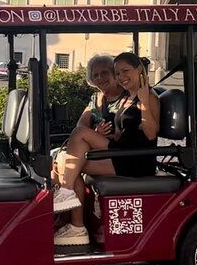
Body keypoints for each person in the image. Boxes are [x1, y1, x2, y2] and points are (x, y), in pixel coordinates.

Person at [52, 53, 160, 245]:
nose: (121, 77)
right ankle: (74, 224)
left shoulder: (148, 97)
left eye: (125, 71)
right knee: (66, 160)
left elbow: (151, 134)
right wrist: (106, 135)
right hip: (121, 152)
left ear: (138, 70)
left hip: (136, 160)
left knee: (75, 143)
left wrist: (144, 103)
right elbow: (122, 132)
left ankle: (70, 205)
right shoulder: (128, 96)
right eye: (118, 73)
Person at [52, 55, 126, 237]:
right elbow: (80, 125)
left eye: (104, 73)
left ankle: (74, 222)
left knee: (68, 163)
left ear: (114, 73)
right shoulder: (96, 98)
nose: (100, 78)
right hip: (98, 150)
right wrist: (95, 133)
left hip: (118, 153)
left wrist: (94, 136)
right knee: (60, 161)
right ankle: (71, 221)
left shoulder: (125, 98)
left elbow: (127, 132)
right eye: (95, 75)